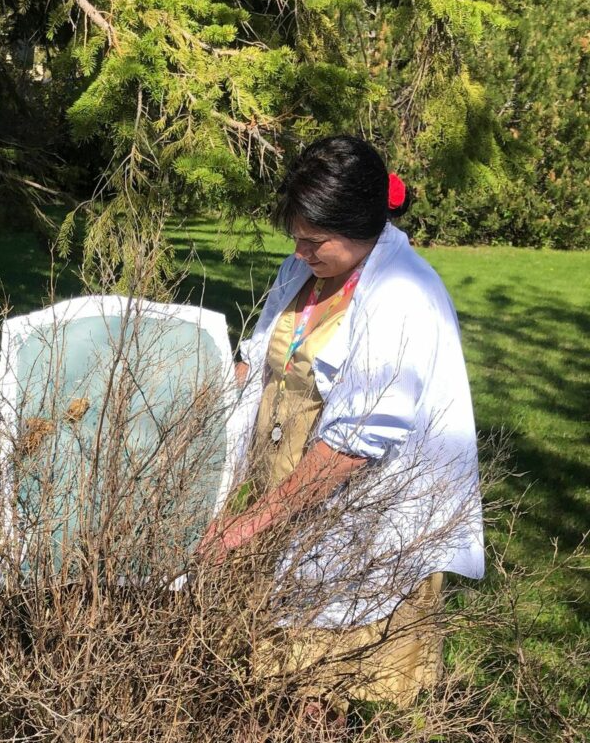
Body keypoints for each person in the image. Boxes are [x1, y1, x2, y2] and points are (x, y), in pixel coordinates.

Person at [200, 135, 483, 707]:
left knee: (317, 697)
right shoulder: (306, 270)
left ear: (360, 227)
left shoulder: (402, 297)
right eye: (296, 239)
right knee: (269, 685)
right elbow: (264, 359)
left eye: (313, 241)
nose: (300, 252)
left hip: (346, 516)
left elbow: (352, 446)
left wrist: (249, 527)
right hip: (283, 503)